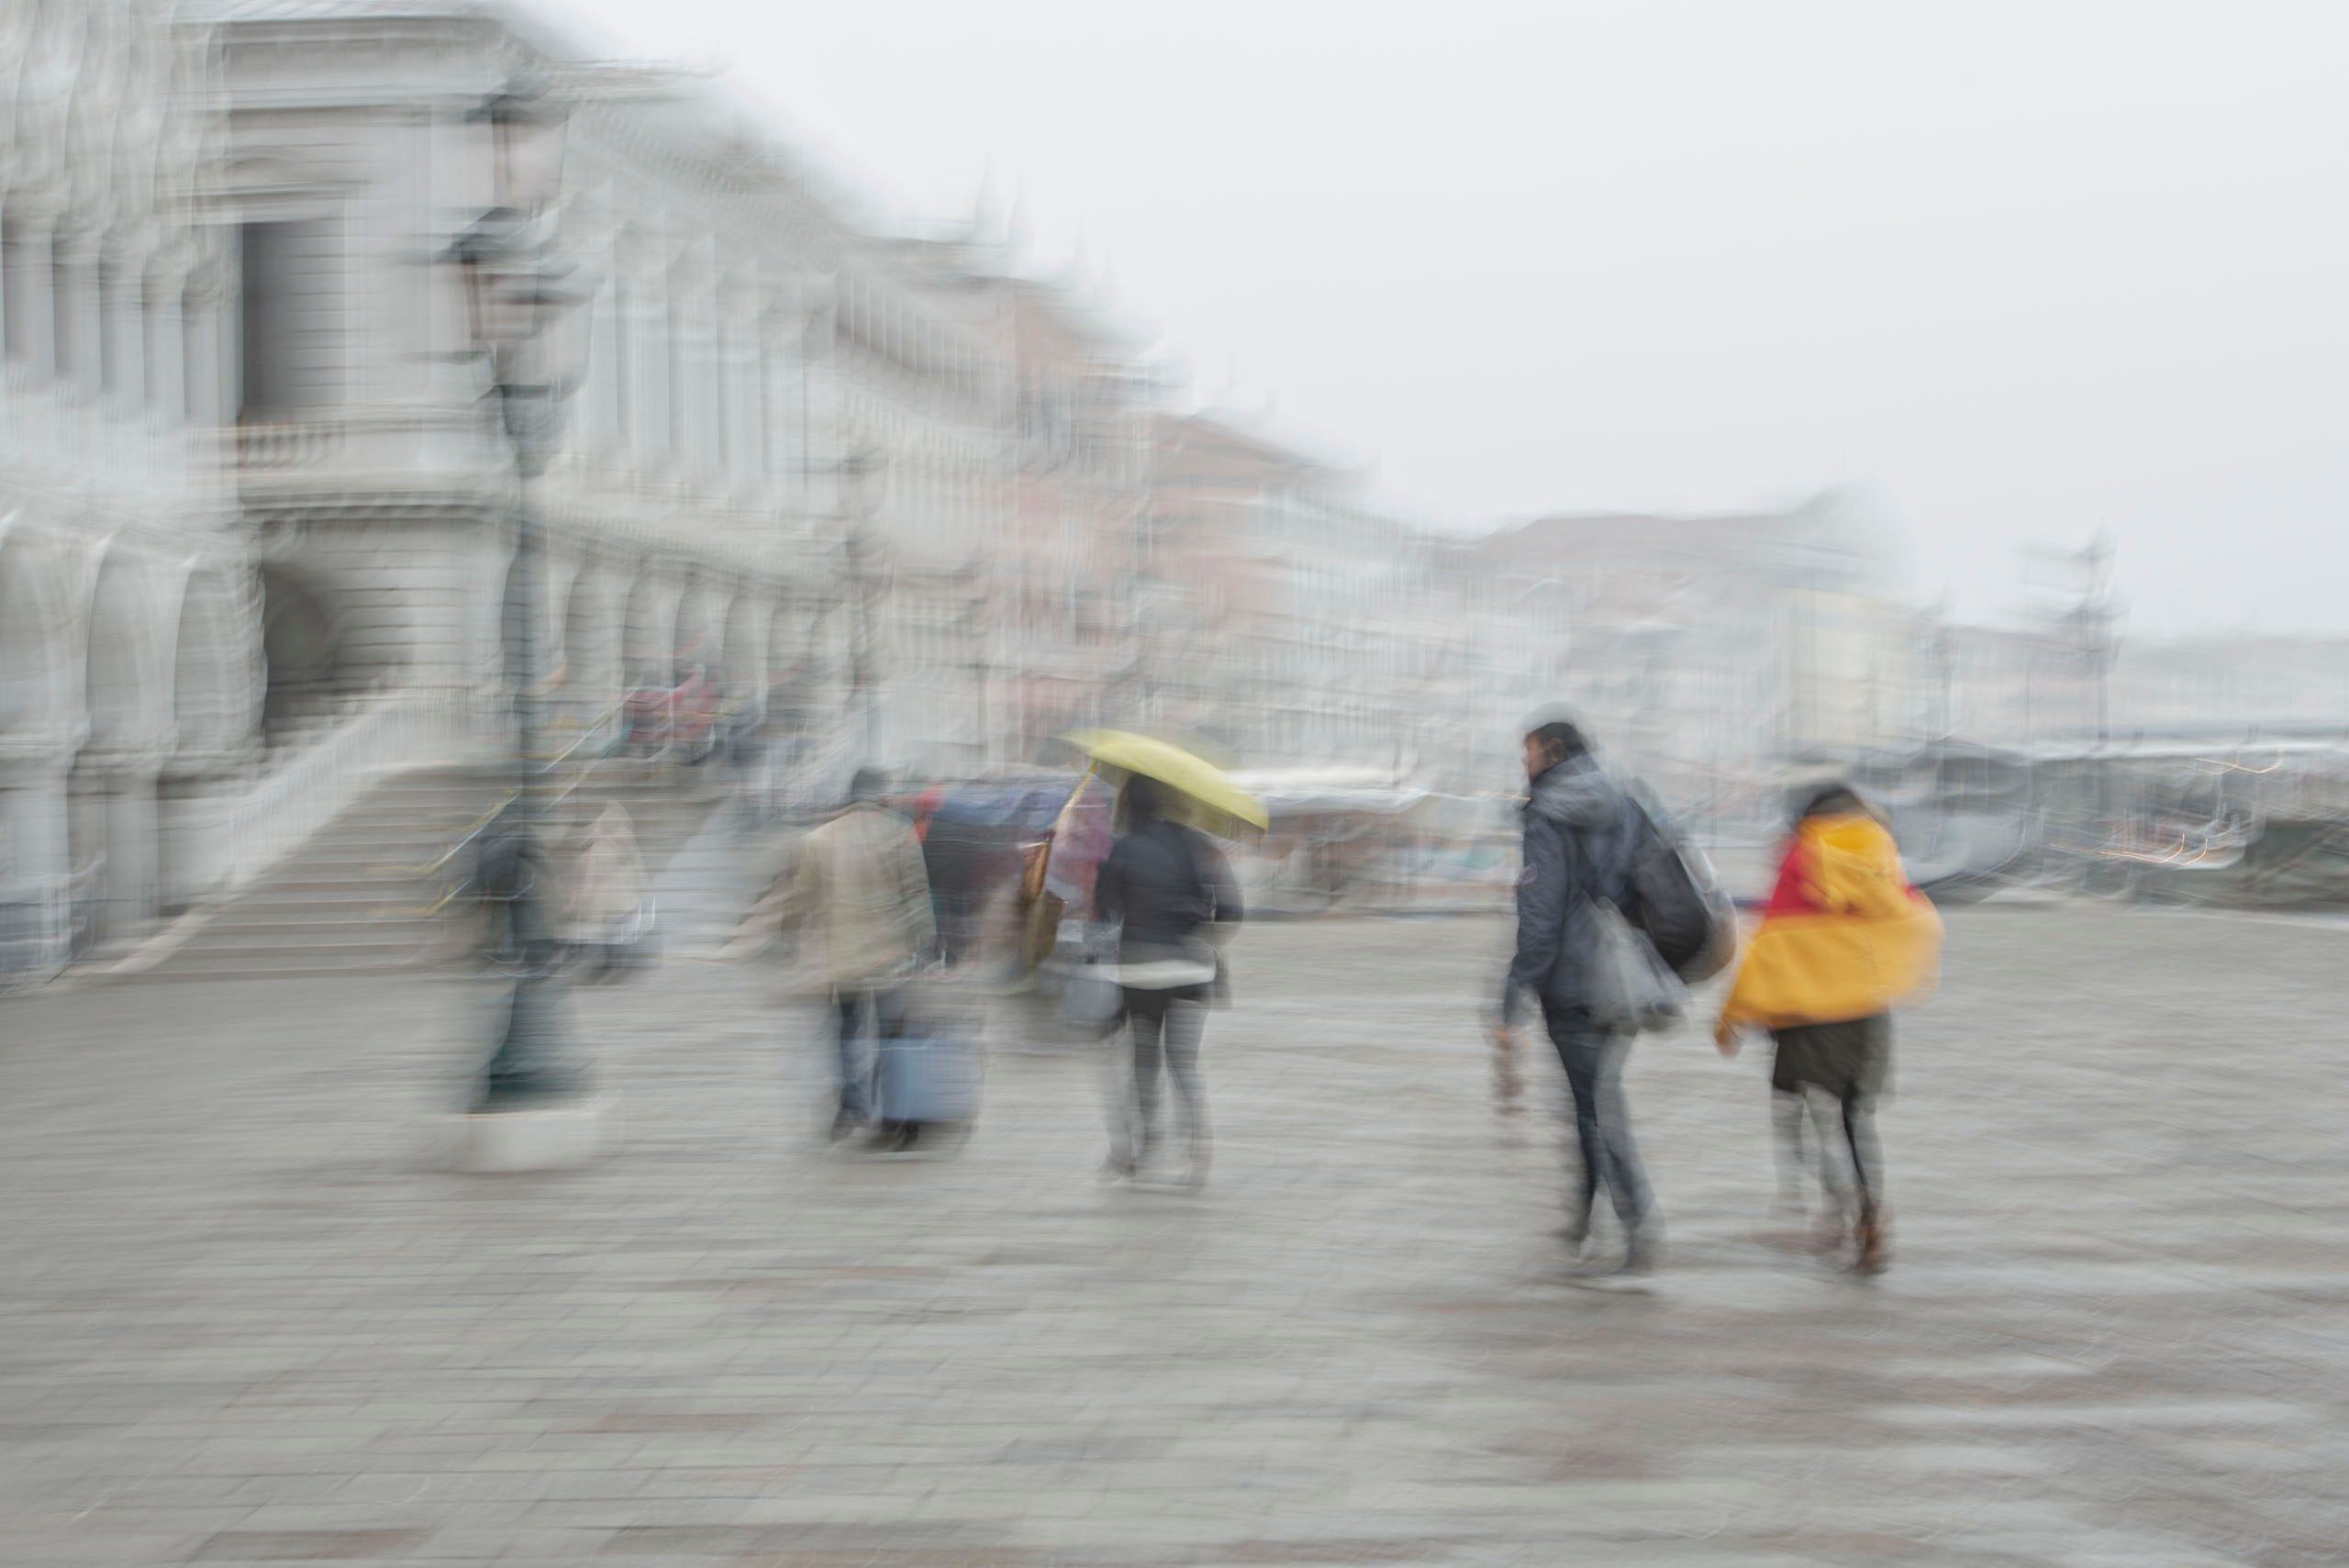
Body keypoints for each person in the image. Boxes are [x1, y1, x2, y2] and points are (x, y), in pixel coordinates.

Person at [1713, 783, 1942, 1274]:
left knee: (1798, 1113)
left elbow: (1772, 940)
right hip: (1865, 1012)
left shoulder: (1800, 854)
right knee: (1854, 1118)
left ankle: (1835, 1211)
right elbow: (1912, 921)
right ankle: (1869, 1216)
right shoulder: (1880, 853)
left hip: (1806, 1014)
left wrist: (1735, 1013)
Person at [1492, 717, 1672, 1273]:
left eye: (1528, 754)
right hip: (1627, 975)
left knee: (1594, 1107)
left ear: (1551, 751)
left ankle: (1637, 1220)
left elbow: (1540, 916)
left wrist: (1513, 995)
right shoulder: (1624, 798)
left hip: (1573, 982)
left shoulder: (1547, 812)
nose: (1524, 765)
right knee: (1592, 1099)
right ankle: (1582, 1219)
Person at [729, 768, 936, 1145]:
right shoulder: (898, 833)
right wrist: (924, 944)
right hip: (889, 955)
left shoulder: (819, 839)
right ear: (882, 796)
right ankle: (887, 1109)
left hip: (842, 956)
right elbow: (915, 894)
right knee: (887, 1033)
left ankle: (852, 1103)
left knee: (845, 1029)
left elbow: (800, 897)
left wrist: (788, 934)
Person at [1095, 774, 1243, 1189]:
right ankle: (1196, 1149)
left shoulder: (1122, 848)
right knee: (1183, 1060)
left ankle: (1144, 1147)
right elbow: (1232, 911)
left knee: (1143, 1060)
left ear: (1129, 806)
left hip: (1139, 969)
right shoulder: (1199, 846)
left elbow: (1104, 912)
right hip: (1191, 970)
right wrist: (1198, 935)